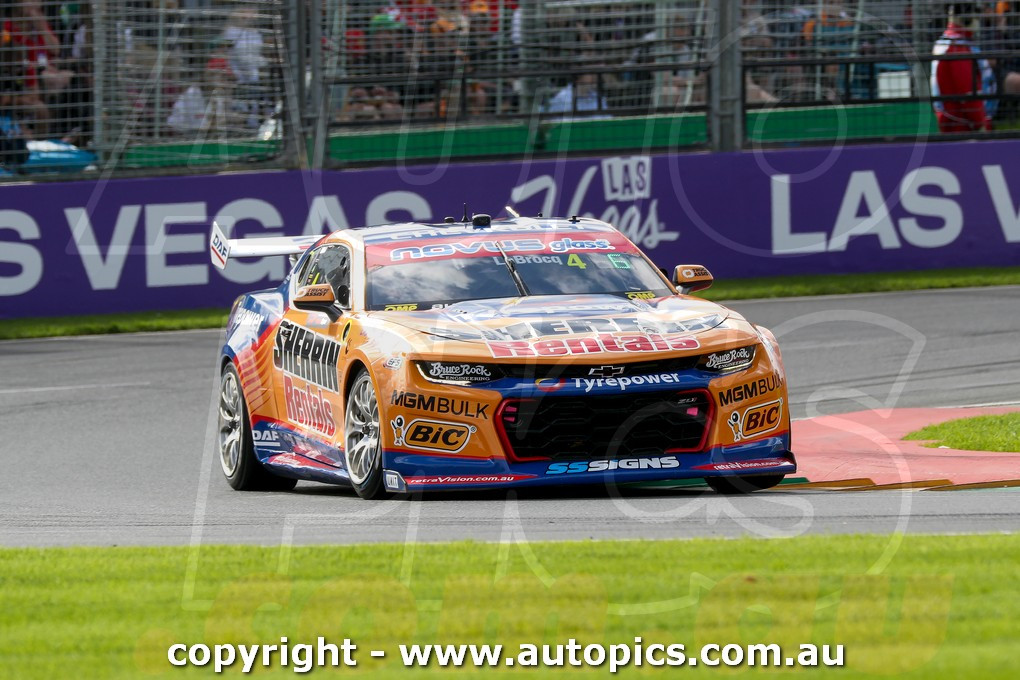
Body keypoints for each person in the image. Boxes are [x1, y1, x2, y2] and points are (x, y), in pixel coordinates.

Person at [931, 2, 996, 132]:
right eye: (976, 17)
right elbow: (968, 93)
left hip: (955, 121)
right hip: (964, 125)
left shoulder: (948, 41)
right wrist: (981, 124)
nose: (979, 22)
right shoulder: (957, 48)